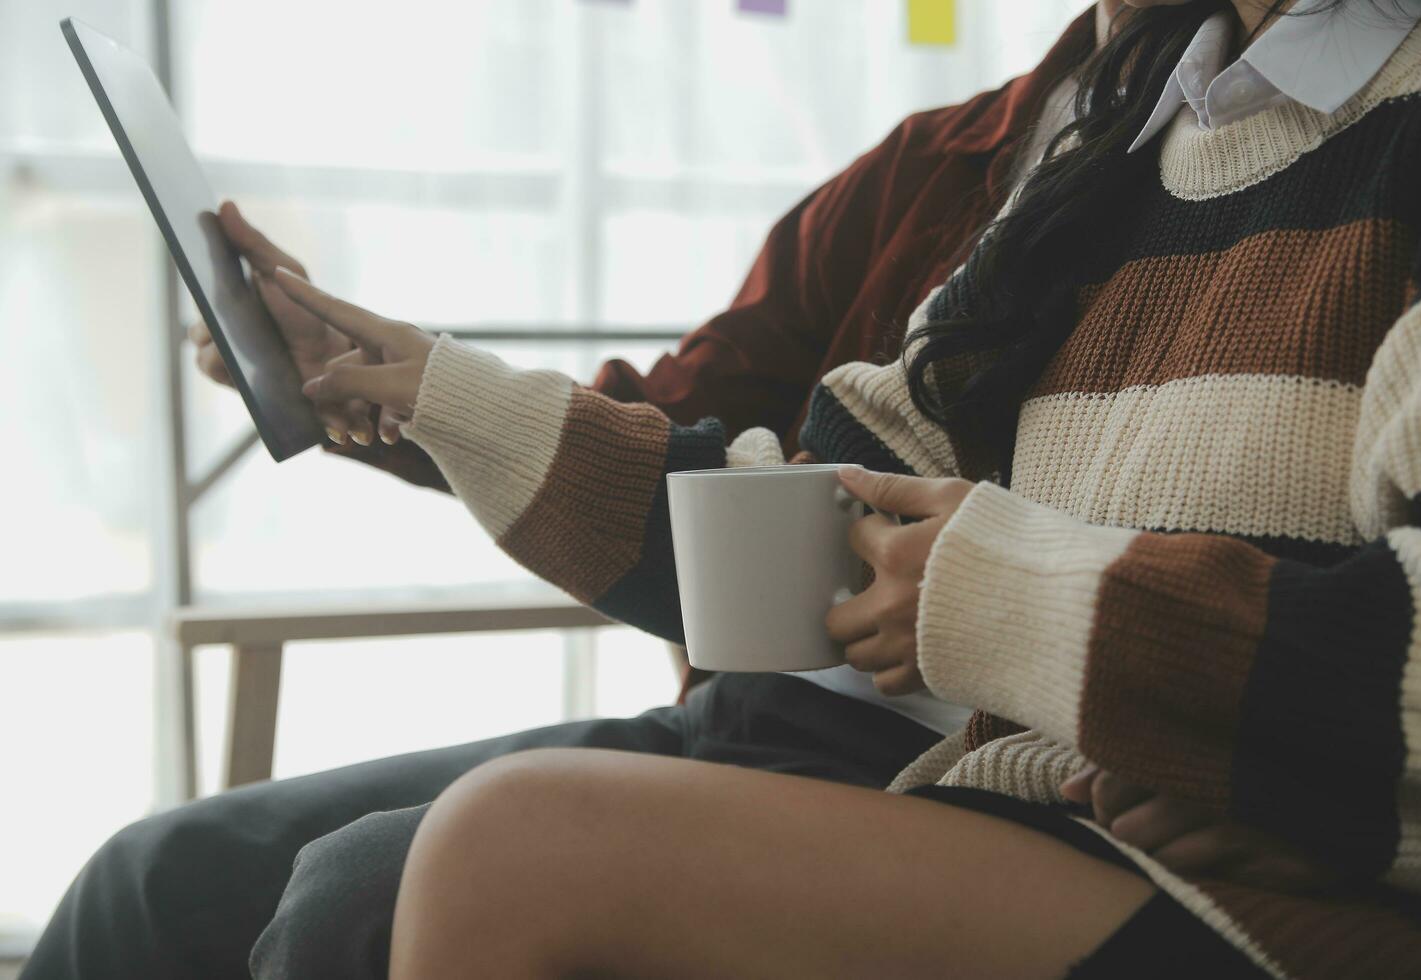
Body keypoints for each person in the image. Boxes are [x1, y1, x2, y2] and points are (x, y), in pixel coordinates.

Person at [247, 0, 1421, 975]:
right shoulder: (1127, 145)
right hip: (1056, 828)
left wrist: (1017, 601)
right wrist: (433, 390)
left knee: (499, 847)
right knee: (376, 879)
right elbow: (803, 521)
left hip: (1276, 905)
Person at [19, 9, 1171, 980]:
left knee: (354, 894)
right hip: (762, 716)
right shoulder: (945, 161)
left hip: (985, 771)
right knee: (149, 877)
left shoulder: (1283, 168)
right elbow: (664, 421)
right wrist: (375, 381)